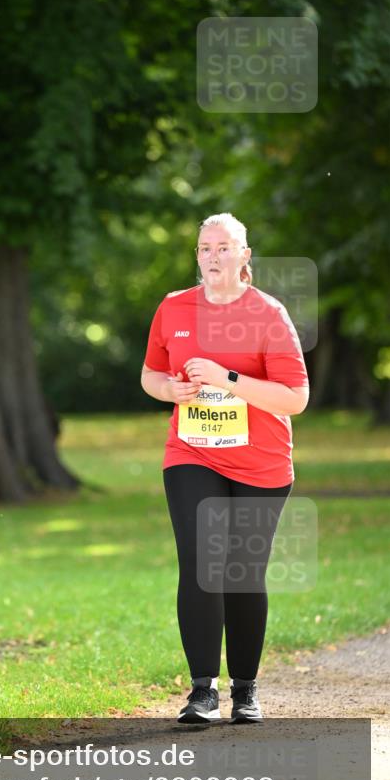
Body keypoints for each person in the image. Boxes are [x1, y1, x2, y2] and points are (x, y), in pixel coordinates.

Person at [140, 212, 310, 724]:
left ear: (244, 256)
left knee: (242, 572)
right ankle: (201, 691)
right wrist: (169, 390)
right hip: (193, 451)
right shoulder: (173, 308)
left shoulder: (268, 314)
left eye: (222, 247)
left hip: (261, 461)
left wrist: (227, 377)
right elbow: (150, 373)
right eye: (204, 248)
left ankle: (246, 689)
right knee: (200, 563)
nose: (212, 257)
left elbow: (296, 397)